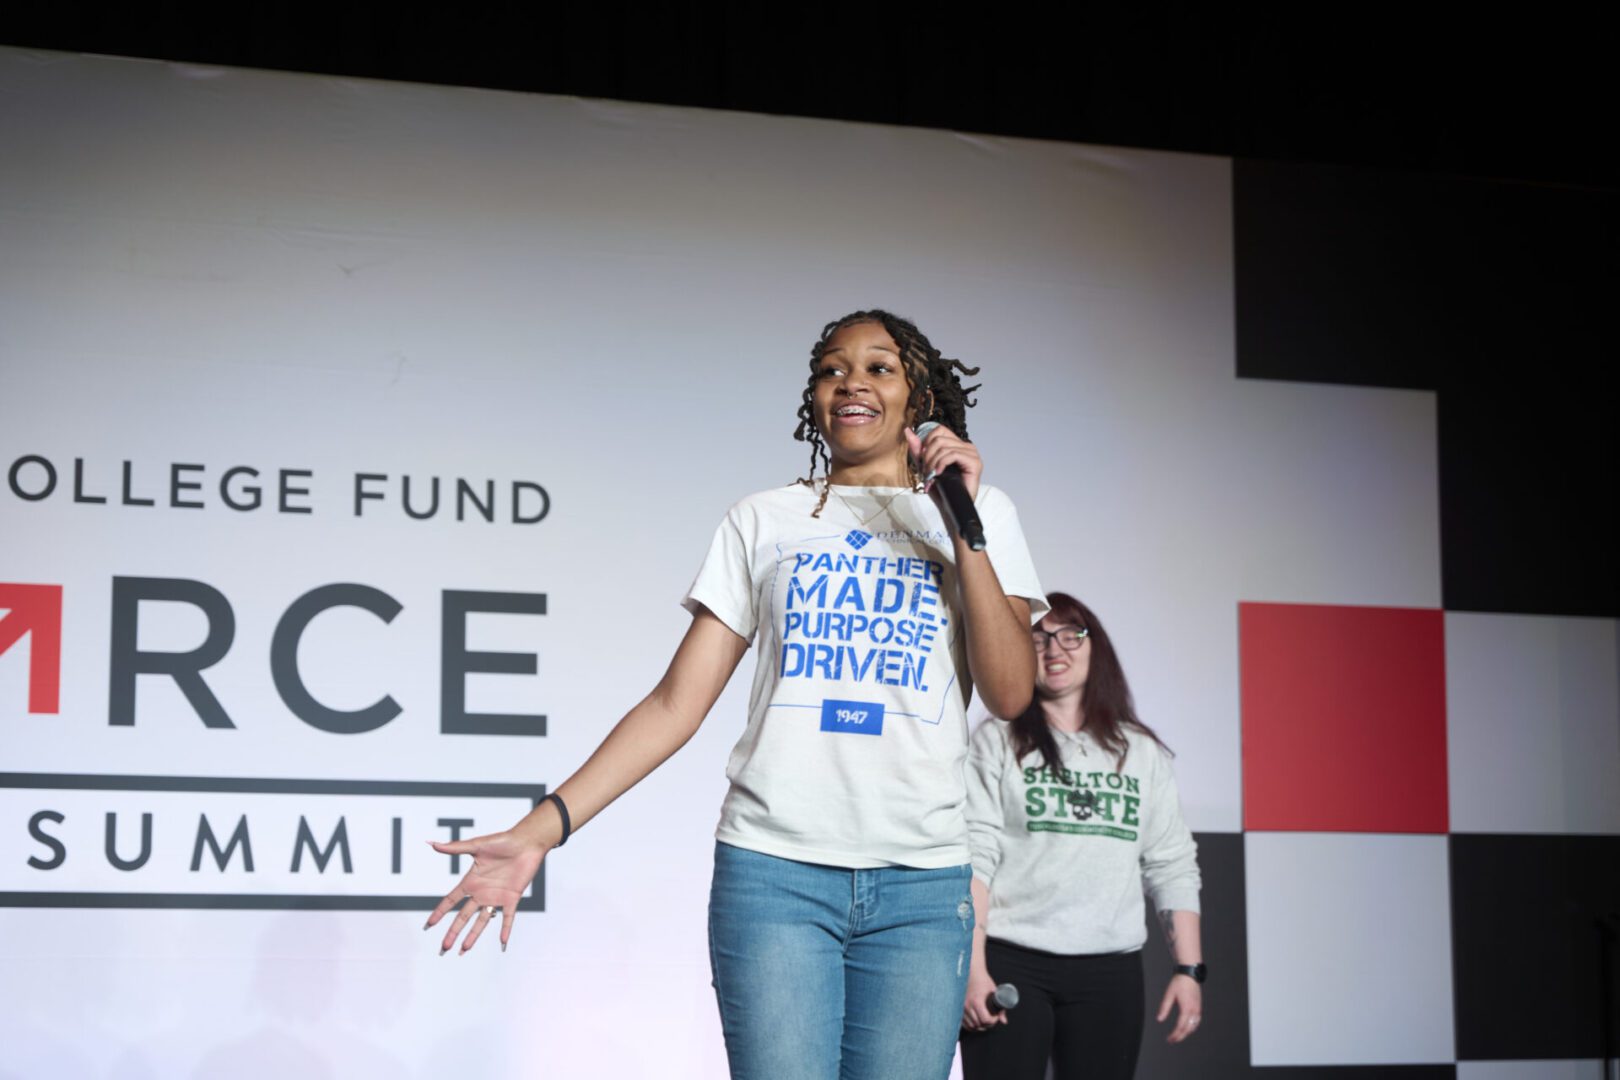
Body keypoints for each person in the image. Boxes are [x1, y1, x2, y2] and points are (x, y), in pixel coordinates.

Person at [424, 309, 1048, 1080]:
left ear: (919, 399)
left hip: (923, 886)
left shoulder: (982, 515)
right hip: (775, 874)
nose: (851, 382)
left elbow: (1010, 693)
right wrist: (540, 829)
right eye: (831, 368)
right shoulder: (762, 520)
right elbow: (673, 706)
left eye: (878, 368)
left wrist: (962, 526)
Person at [958, 592, 1203, 1080]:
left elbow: (1171, 862)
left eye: (1071, 635)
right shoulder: (996, 740)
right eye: (1039, 638)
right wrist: (972, 968)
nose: (1055, 649)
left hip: (1109, 971)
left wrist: (1189, 970)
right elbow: (975, 859)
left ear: (1096, 647)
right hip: (1011, 960)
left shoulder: (1141, 752)